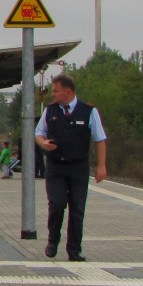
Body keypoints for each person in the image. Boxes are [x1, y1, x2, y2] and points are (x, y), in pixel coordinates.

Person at [34, 73, 107, 261]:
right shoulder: (50, 111)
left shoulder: (89, 111)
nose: (53, 94)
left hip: (78, 167)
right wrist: (43, 144)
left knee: (77, 208)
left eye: (56, 91)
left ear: (68, 92)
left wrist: (101, 166)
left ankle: (74, 249)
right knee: (57, 204)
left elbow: (99, 139)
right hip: (56, 166)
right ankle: (52, 240)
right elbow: (39, 133)